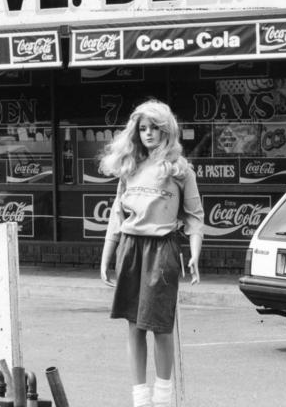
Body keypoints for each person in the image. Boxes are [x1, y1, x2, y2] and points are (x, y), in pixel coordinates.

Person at [98, 99, 204, 407]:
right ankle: (140, 398)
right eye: (143, 129)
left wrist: (195, 253)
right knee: (134, 325)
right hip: (130, 248)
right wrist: (107, 255)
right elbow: (117, 215)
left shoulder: (179, 169)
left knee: (159, 325)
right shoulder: (129, 167)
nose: (148, 134)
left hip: (163, 248)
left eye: (154, 128)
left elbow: (195, 215)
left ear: (166, 131)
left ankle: (163, 396)